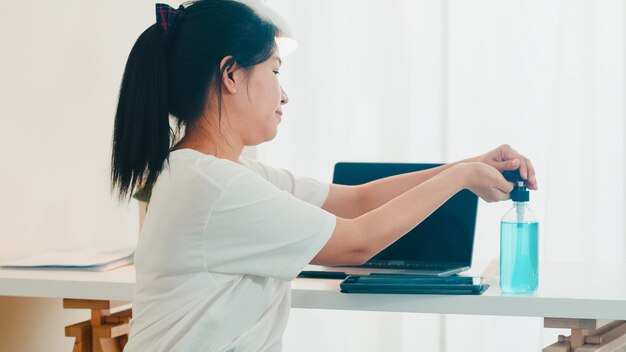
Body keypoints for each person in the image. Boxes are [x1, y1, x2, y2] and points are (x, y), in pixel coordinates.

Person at [110, 1, 538, 351]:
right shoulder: (216, 188)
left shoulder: (215, 175)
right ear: (231, 75)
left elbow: (357, 202)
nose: (284, 93)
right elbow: (356, 243)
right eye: (275, 71)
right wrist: (460, 178)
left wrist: (471, 164)